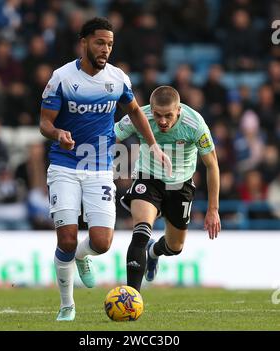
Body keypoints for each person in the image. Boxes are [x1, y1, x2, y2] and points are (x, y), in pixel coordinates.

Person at [39, 17, 171, 321]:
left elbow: (136, 111)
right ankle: (67, 306)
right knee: (67, 239)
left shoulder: (117, 79)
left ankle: (82, 257)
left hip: (99, 166)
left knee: (101, 243)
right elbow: (45, 122)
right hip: (64, 164)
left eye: (110, 44)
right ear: (84, 42)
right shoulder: (61, 78)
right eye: (100, 42)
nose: (105, 49)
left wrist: (152, 144)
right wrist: (58, 133)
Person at [114, 86, 221, 292]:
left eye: (168, 115)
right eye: (157, 115)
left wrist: (213, 209)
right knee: (141, 231)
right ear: (151, 109)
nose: (162, 121)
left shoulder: (195, 124)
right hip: (148, 177)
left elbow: (212, 165)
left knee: (175, 247)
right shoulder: (140, 115)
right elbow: (111, 137)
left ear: (178, 110)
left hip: (180, 184)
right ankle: (132, 297)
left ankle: (153, 252)